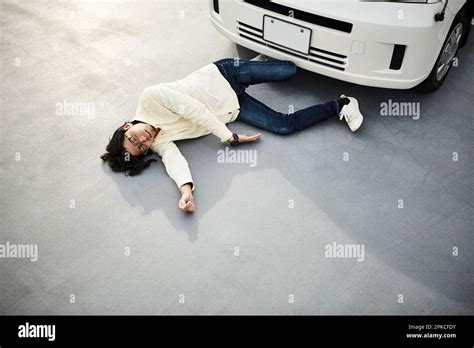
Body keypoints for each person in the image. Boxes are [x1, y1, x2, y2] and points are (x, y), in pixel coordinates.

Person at [101, 56, 364, 213]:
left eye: (135, 138)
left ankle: (259, 61)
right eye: (143, 147)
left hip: (225, 74)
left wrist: (229, 137)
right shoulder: (157, 141)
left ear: (126, 126)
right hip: (233, 108)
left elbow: (196, 110)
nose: (145, 140)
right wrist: (186, 191)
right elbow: (174, 161)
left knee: (288, 71)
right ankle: (341, 104)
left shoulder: (150, 97)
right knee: (284, 126)